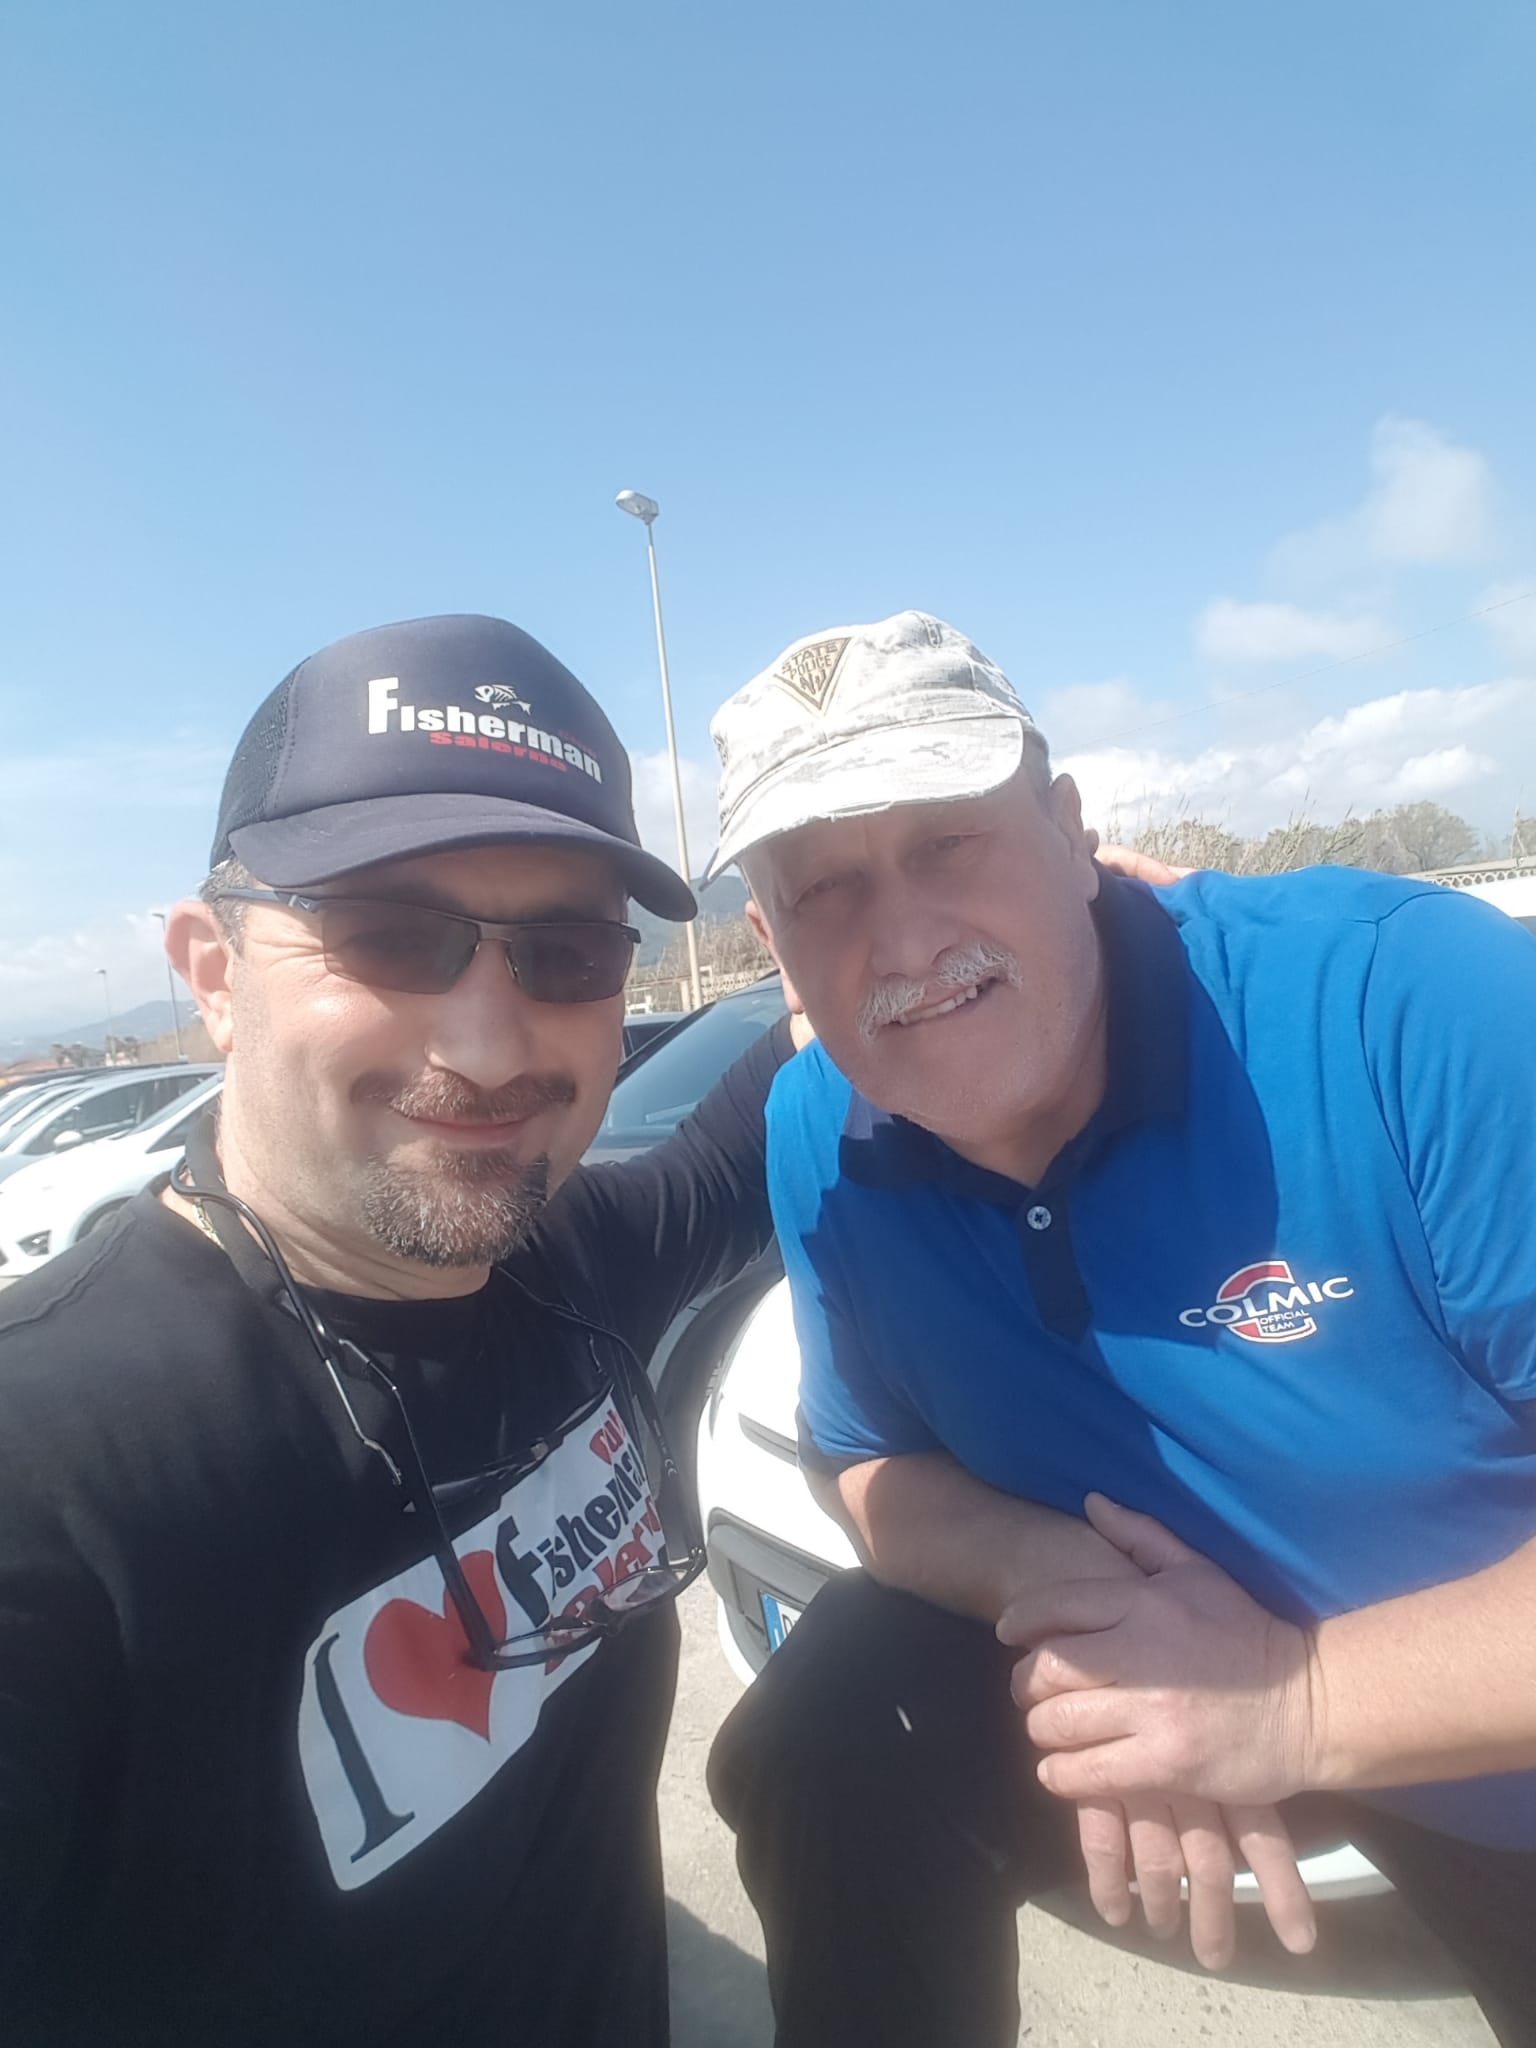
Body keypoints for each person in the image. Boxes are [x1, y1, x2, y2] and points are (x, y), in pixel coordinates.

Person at [702, 609, 1536, 2048]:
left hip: (1490, 1730)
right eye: (824, 887)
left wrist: (1290, 1701)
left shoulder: (1407, 1006)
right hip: (1194, 1673)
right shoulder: (818, 1134)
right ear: (772, 945)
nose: (903, 938)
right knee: (835, 1727)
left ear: (1072, 831)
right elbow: (865, 1461)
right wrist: (1093, 1611)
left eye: (949, 841)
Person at [0, 613, 806, 2045]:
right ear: (212, 973)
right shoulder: (56, 1466)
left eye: (566, 952)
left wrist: (998, 917)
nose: (487, 1048)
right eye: (388, 936)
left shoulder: (565, 1268)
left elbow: (742, 1135)